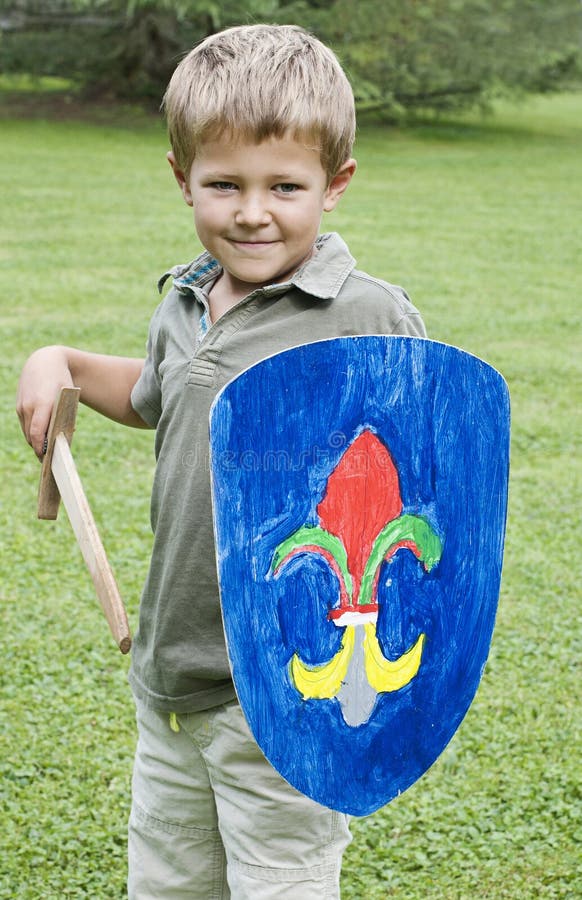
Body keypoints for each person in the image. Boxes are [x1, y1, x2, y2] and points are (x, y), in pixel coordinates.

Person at [16, 24, 426, 899]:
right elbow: (161, 393)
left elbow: (426, 468)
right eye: (223, 185)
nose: (252, 211)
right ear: (181, 178)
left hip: (288, 685)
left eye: (285, 186)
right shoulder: (187, 301)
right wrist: (65, 365)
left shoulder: (364, 315)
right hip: (172, 673)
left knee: (280, 882)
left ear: (335, 184)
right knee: (167, 880)